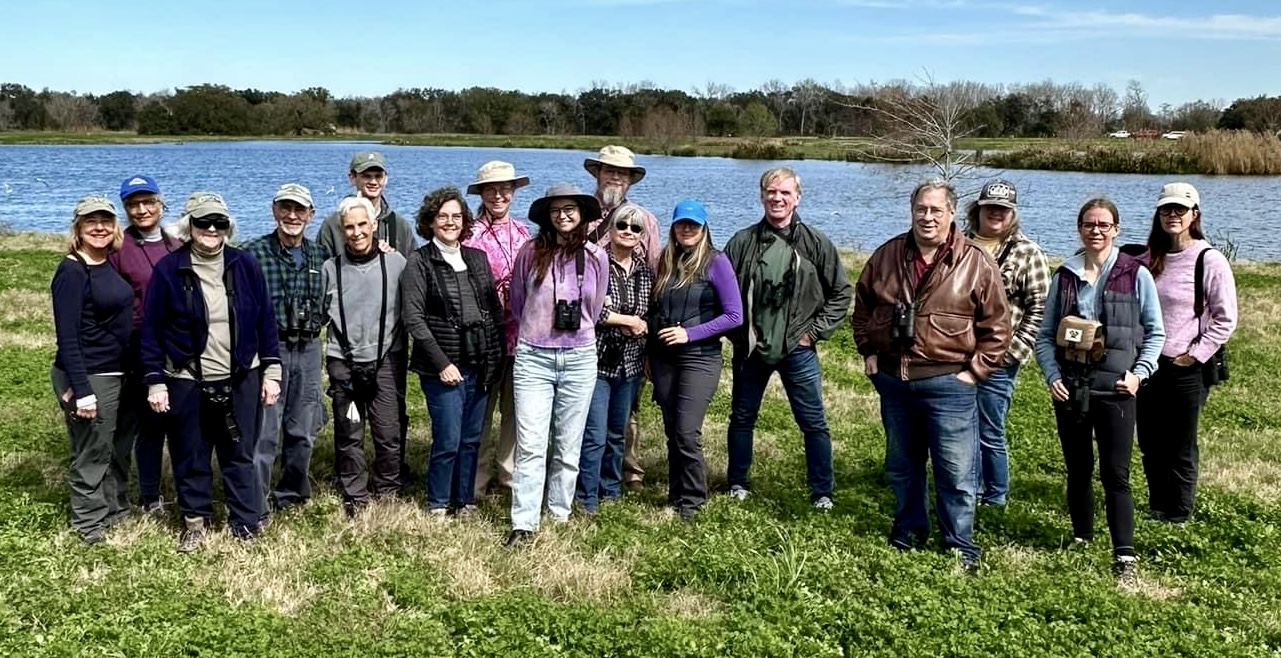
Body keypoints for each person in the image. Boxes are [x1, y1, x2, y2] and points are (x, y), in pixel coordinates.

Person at [851, 178, 1010, 573]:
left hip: (950, 383)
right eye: (921, 209)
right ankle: (909, 530)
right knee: (902, 466)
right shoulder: (887, 255)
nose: (927, 217)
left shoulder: (975, 260)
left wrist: (975, 372)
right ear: (912, 211)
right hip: (895, 381)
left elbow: (998, 327)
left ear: (951, 213)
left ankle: (960, 545)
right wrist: (869, 351)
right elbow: (862, 308)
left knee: (955, 471)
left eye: (936, 210)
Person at [141, 192, 282, 552]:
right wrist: (155, 380)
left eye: (219, 223)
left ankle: (245, 523)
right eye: (203, 222)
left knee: (240, 453)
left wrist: (272, 372)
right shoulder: (169, 270)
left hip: (242, 377)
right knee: (191, 454)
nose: (212, 229)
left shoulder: (244, 265)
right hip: (186, 380)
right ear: (189, 226)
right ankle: (195, 522)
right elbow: (152, 329)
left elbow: (266, 321)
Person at [1034, 197, 1165, 585]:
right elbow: (1045, 336)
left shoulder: (1135, 274)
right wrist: (1052, 375)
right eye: (1089, 224)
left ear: (1116, 230)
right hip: (1071, 389)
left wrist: (1139, 374)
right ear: (1079, 229)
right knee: (1078, 469)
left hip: (1116, 391)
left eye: (1104, 225)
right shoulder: (1065, 276)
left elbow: (1156, 333)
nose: (1096, 230)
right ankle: (1081, 537)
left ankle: (1124, 555)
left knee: (1115, 473)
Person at [723, 166, 853, 509]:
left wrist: (814, 333)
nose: (777, 198)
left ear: (797, 198)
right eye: (771, 192)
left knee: (813, 422)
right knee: (742, 418)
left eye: (785, 192)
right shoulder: (742, 242)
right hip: (752, 349)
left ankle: (822, 492)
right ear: (761, 196)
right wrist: (736, 333)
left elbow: (841, 292)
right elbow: (721, 292)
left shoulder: (816, 243)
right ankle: (738, 482)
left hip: (798, 348)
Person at [505, 183, 609, 547]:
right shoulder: (529, 251)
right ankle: (524, 522)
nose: (563, 216)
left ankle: (560, 512)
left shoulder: (596, 256)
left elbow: (595, 306)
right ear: (546, 216)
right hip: (533, 356)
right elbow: (518, 301)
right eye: (555, 210)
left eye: (570, 209)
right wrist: (538, 329)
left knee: (568, 443)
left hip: (579, 357)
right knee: (531, 443)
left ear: (581, 214)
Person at [1136, 183, 1237, 524]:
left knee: (1179, 445)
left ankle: (1179, 512)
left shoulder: (1210, 260)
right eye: (1166, 209)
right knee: (1151, 442)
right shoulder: (1149, 257)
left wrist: (1194, 355)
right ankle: (1158, 505)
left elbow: (1225, 319)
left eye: (1180, 209)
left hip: (1186, 368)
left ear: (1194, 214)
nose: (1172, 215)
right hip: (1148, 365)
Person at [401, 187, 505, 518]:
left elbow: (493, 309)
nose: (450, 222)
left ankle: (465, 501)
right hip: (443, 367)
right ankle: (438, 503)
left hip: (480, 362)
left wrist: (496, 355)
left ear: (464, 221)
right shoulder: (419, 262)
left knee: (471, 439)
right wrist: (442, 363)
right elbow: (414, 319)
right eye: (442, 216)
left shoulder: (477, 258)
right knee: (448, 439)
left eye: (456, 216)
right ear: (430, 222)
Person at [315, 151, 415, 481]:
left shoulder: (400, 226)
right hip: (347, 340)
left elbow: (412, 277)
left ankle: (393, 473)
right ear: (353, 178)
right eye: (365, 175)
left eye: (377, 175)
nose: (372, 180)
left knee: (391, 419)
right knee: (349, 424)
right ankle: (351, 479)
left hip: (388, 342)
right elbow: (323, 273)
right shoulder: (331, 226)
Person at [648, 199, 743, 520]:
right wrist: (649, 352)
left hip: (700, 357)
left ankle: (693, 500)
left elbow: (734, 316)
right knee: (672, 429)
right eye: (681, 223)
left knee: (687, 431)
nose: (687, 229)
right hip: (664, 357)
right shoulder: (665, 260)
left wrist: (690, 334)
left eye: (693, 224)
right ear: (673, 227)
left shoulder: (717, 262)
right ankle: (676, 493)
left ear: (704, 228)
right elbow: (654, 310)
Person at [242, 183, 329, 526]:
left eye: (299, 210)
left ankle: (292, 494)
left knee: (303, 429)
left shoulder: (321, 255)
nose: (292, 216)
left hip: (309, 348)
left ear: (311, 215)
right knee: (265, 431)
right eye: (286, 208)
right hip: (271, 348)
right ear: (274, 210)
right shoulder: (252, 253)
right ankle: (255, 502)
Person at [961, 179, 1050, 506]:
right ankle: (966, 489)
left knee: (989, 428)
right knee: (958, 428)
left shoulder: (1028, 252)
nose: (996, 213)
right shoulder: (957, 244)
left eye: (1003, 209)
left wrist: (1012, 352)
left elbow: (1040, 308)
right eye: (990, 207)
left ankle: (994, 495)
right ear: (978, 209)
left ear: (1012, 213)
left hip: (999, 360)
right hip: (955, 356)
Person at [52, 196, 134, 544]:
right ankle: (88, 524)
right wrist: (82, 390)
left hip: (119, 371)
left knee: (117, 448)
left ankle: (115, 510)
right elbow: (67, 337)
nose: (99, 228)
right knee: (93, 450)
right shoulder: (72, 271)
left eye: (106, 221)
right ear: (78, 228)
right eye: (91, 221)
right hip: (92, 374)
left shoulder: (107, 263)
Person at [322, 196, 409, 517]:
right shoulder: (330, 269)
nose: (357, 232)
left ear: (374, 225)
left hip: (386, 358)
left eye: (363, 225)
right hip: (343, 361)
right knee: (349, 431)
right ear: (341, 230)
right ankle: (355, 494)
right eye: (349, 227)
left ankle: (388, 489)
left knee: (388, 431)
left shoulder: (396, 262)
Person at [582, 145, 661, 493]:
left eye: (622, 173)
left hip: (632, 342)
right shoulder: (580, 214)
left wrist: (648, 340)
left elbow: (655, 277)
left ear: (630, 180)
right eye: (609, 170)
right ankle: (583, 477)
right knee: (586, 412)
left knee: (627, 412)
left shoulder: (646, 220)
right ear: (597, 173)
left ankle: (628, 471)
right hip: (586, 335)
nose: (615, 177)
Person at [575, 202, 654, 516]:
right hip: (597, 362)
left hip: (631, 363)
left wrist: (641, 325)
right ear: (610, 229)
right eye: (622, 225)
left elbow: (648, 311)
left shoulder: (644, 271)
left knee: (617, 432)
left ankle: (611, 490)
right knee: (594, 433)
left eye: (635, 228)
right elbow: (589, 308)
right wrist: (626, 320)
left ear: (642, 235)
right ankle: (587, 496)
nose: (628, 232)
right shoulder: (595, 261)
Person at [107, 175, 179, 516]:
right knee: (149, 425)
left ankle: (184, 489)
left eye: (148, 202)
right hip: (138, 347)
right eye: (133, 205)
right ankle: (150, 497)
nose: (142, 210)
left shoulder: (176, 244)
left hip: (178, 348)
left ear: (160, 204)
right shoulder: (118, 249)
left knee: (179, 424)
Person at [464, 161, 533, 500]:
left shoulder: (524, 233)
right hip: (484, 337)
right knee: (480, 411)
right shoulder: (469, 234)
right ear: (481, 194)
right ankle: (475, 479)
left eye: (505, 189)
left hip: (520, 337)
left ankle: (509, 475)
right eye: (491, 189)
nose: (498, 195)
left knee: (515, 412)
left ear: (514, 192)